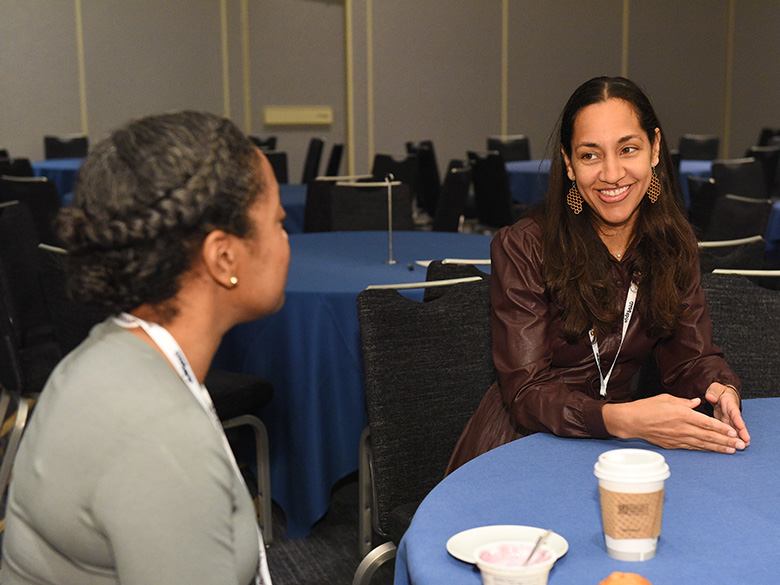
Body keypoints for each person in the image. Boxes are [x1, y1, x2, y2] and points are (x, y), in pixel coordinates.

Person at [2, 111, 289, 585]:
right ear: (224, 257)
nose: (285, 241)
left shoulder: (107, 352)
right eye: (278, 223)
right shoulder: (161, 438)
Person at [447, 76, 750, 473]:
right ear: (569, 164)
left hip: (618, 447)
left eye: (628, 149)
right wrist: (622, 419)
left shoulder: (673, 245)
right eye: (590, 155)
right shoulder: (523, 245)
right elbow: (525, 394)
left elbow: (690, 358)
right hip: (521, 445)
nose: (612, 173)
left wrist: (719, 388)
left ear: (654, 149)